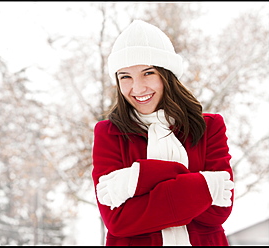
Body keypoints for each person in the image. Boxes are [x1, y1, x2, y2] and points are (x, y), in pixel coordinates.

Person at [91, 20, 234, 246]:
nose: (137, 88)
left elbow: (217, 212)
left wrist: (133, 181)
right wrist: (195, 181)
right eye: (125, 76)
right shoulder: (108, 133)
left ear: (167, 74)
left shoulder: (210, 127)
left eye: (148, 73)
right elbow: (117, 221)